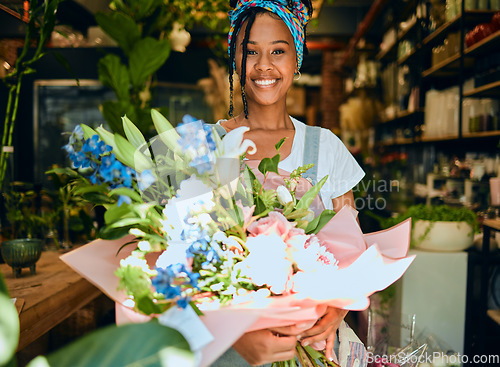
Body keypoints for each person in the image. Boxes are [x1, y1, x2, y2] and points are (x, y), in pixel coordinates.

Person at [212, 0, 365, 365]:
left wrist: (338, 307)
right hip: (229, 349)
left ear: (296, 59)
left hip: (312, 343)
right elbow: (180, 262)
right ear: (235, 59)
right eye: (251, 52)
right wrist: (237, 335)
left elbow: (352, 251)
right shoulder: (204, 147)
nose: (264, 65)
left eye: (278, 51)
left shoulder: (325, 147)